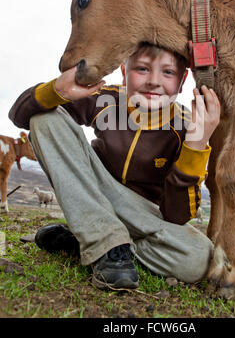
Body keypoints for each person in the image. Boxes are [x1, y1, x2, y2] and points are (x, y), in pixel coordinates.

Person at [9, 44, 220, 290]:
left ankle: (92, 241)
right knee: (45, 116)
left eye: (168, 72)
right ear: (123, 70)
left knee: (199, 257)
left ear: (183, 80)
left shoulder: (188, 125)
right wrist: (56, 90)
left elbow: (176, 216)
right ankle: (106, 242)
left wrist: (196, 145)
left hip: (144, 217)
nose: (153, 81)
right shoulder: (107, 98)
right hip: (96, 194)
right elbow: (21, 116)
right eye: (142, 68)